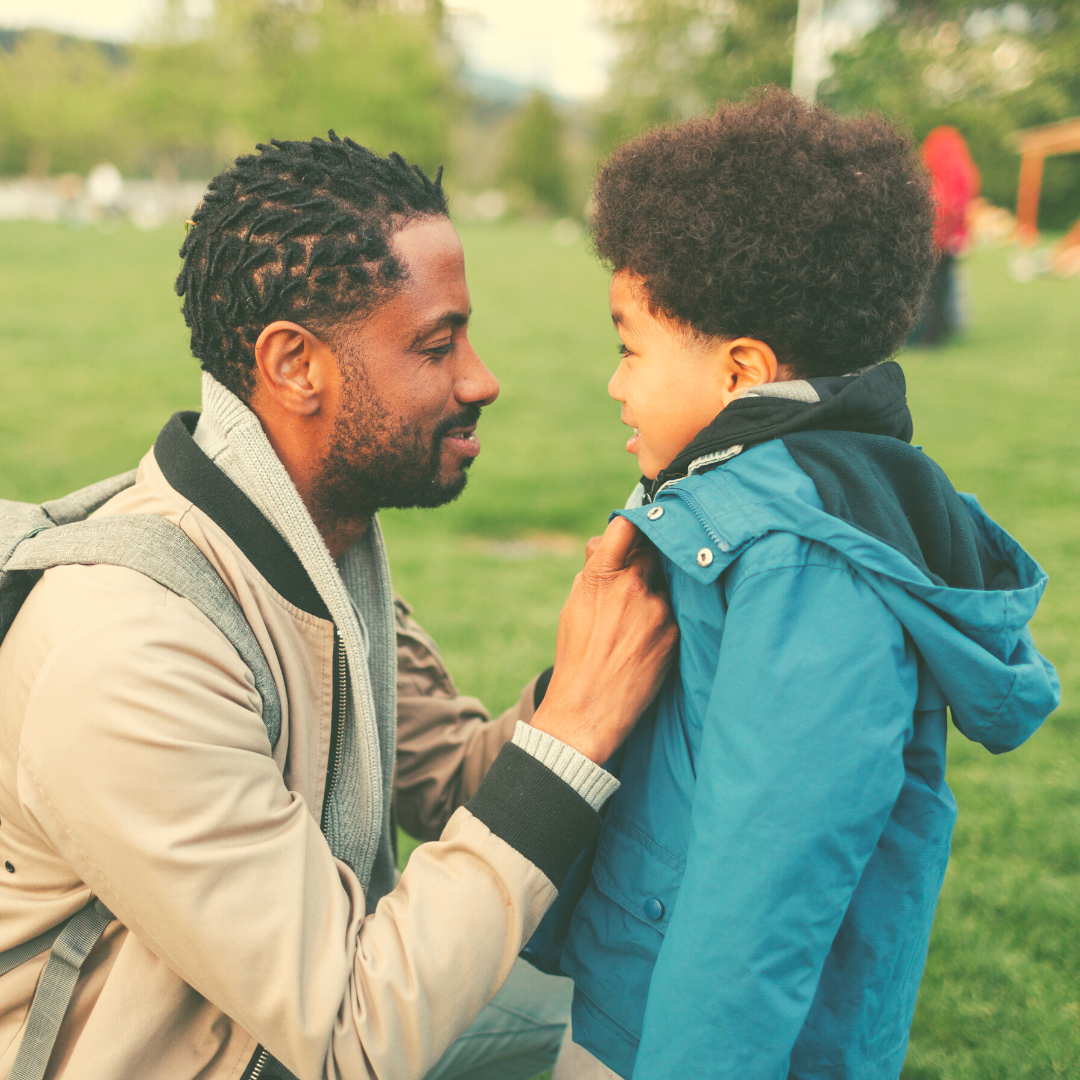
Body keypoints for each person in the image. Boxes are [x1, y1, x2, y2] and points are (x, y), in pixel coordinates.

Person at [0, 135, 678, 1079]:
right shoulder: (129, 649)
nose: (481, 379)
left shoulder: (311, 550)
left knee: (629, 1007)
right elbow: (357, 1029)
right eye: (437, 345)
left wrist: (593, 669)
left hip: (278, 1030)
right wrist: (573, 732)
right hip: (267, 1042)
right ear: (294, 366)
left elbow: (451, 784)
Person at [531, 89, 1060, 1080]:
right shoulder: (739, 503)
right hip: (625, 999)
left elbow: (760, 898)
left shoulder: (803, 562)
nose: (614, 383)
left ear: (741, 372)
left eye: (628, 348)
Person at [908, 125, 980, 347]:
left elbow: (945, 209)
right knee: (943, 287)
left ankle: (929, 339)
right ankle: (944, 328)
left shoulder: (943, 174)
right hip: (951, 241)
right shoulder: (965, 171)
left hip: (938, 241)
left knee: (932, 291)